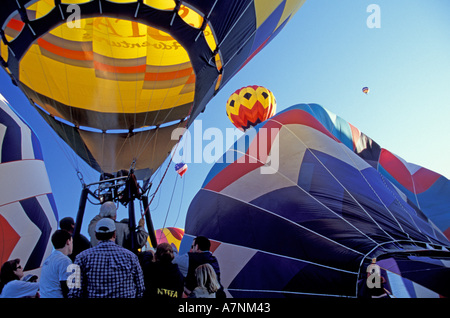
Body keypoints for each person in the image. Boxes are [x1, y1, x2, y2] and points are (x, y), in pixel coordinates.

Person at [68, 217, 145, 298]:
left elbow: (74, 292)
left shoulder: (80, 258)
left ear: (96, 235)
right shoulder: (131, 257)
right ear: (114, 234)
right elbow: (140, 288)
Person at [39, 229, 73, 298]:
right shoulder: (64, 260)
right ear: (68, 242)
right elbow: (66, 288)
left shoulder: (48, 260)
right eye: (72, 242)